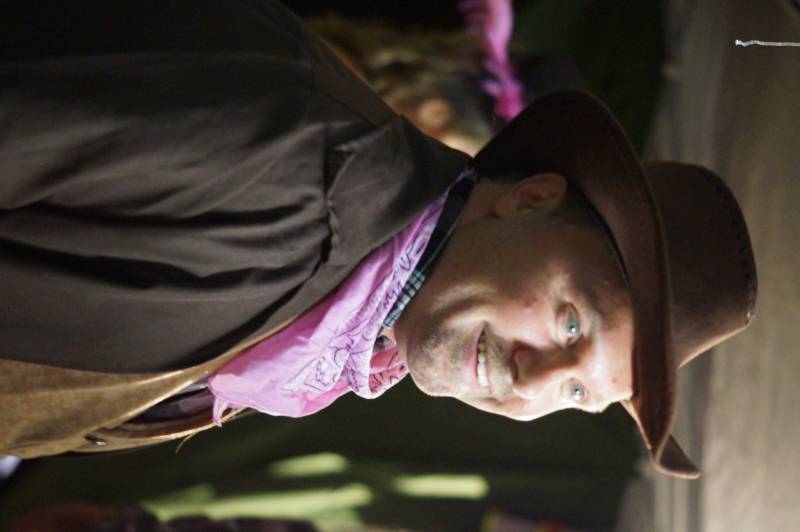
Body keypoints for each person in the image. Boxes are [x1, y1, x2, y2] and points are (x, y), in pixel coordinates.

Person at [0, 0, 756, 479]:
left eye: (577, 392)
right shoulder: (277, 137)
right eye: (571, 324)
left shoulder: (340, 331)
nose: (534, 382)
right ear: (531, 199)